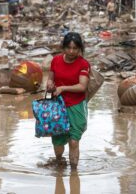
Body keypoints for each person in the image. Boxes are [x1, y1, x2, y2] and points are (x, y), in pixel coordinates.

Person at [46, 32, 90, 170]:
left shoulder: (83, 64)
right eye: (68, 48)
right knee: (58, 141)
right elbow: (50, 78)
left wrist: (63, 88)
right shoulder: (56, 61)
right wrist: (50, 85)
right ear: (63, 47)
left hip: (76, 106)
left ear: (80, 49)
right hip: (57, 106)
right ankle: (59, 162)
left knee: (74, 141)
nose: (71, 52)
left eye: (75, 48)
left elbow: (82, 87)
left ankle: (74, 172)